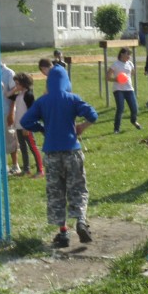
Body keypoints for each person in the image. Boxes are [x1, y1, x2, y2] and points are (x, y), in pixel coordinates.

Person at [20, 65, 98, 248]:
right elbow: (93, 115)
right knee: (78, 189)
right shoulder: (72, 99)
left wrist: (42, 128)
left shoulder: (42, 101)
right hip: (72, 151)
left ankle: (63, 233)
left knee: (56, 192)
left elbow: (25, 121)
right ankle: (81, 221)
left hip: (51, 153)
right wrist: (82, 126)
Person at [10, 72, 44, 178]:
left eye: (17, 84)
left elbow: (31, 112)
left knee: (33, 147)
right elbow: (7, 95)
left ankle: (40, 170)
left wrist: (27, 126)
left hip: (26, 127)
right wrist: (15, 90)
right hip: (18, 126)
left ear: (24, 84)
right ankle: (26, 169)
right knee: (23, 148)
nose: (16, 86)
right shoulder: (19, 95)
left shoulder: (29, 95)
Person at [106, 47, 141, 132]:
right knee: (120, 108)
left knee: (134, 108)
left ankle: (133, 121)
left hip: (129, 89)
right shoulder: (115, 64)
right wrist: (117, 79)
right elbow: (107, 77)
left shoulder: (130, 63)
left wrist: (126, 78)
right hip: (118, 90)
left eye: (130, 54)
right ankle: (116, 129)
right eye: (127, 54)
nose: (129, 56)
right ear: (122, 54)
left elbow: (133, 73)